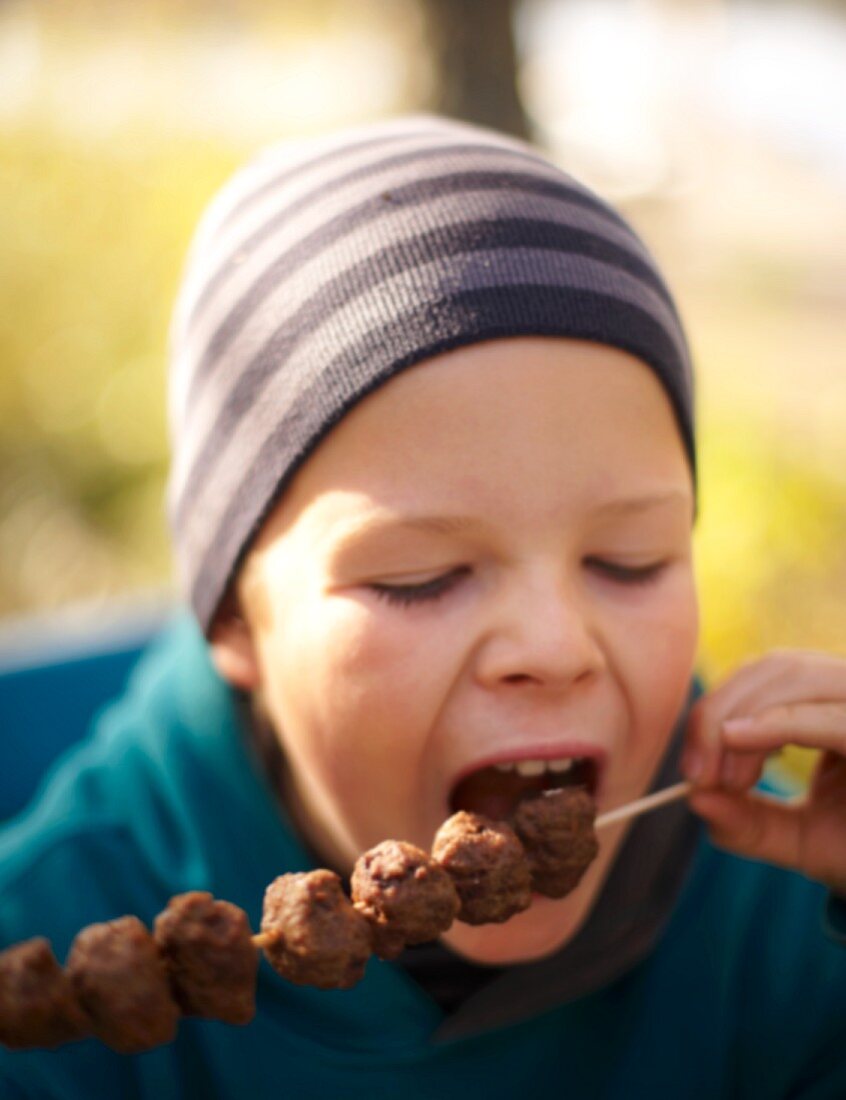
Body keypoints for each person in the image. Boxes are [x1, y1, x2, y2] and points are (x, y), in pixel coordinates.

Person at [1, 114, 844, 1098]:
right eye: (420, 576)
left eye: (629, 558)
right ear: (236, 619)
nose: (555, 643)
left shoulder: (788, 906)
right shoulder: (53, 943)